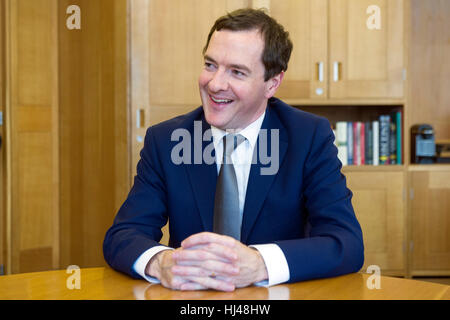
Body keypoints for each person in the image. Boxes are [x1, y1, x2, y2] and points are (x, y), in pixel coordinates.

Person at [103, 8, 364, 292]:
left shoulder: (308, 137)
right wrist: (161, 261)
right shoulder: (166, 140)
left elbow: (346, 243)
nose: (215, 84)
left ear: (272, 83)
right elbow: (123, 235)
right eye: (210, 65)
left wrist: (258, 263)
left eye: (237, 72)